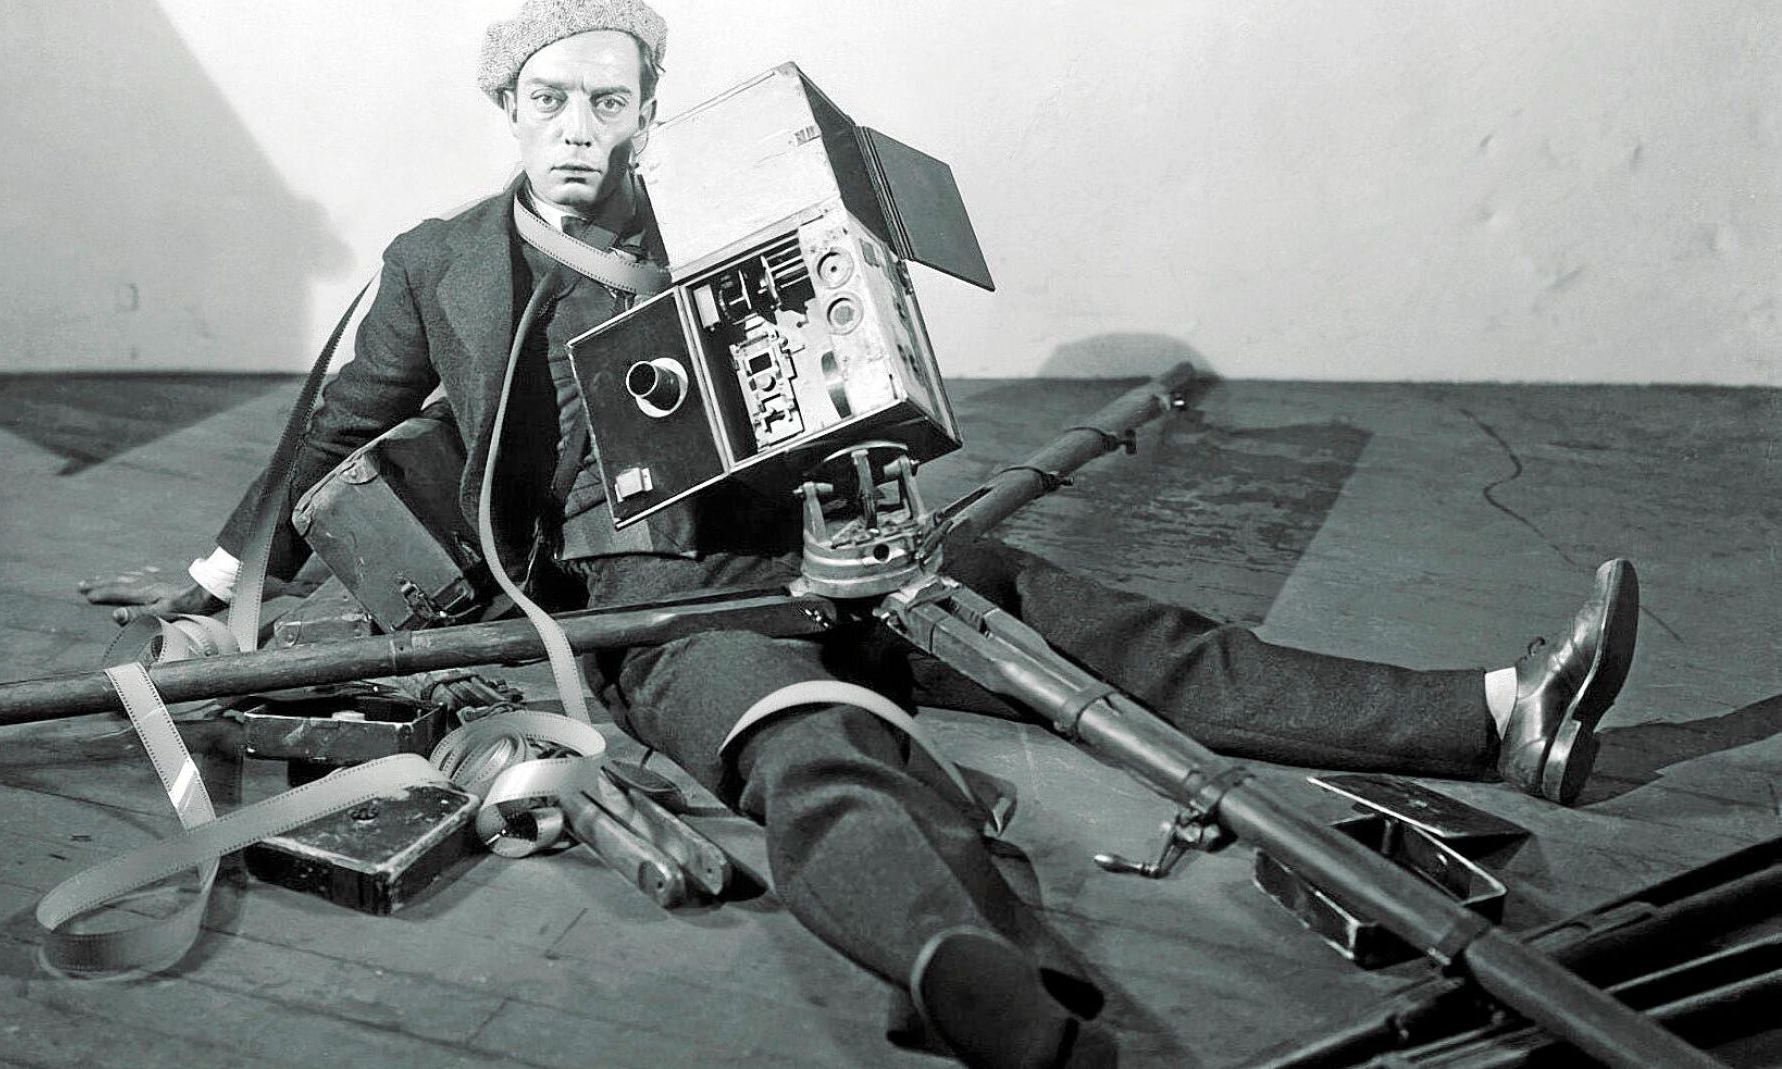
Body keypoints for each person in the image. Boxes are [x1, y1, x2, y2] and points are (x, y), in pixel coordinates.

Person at [79, 3, 1641, 1066]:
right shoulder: (439, 268)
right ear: (505, 106)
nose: (576, 130)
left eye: (607, 100)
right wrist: (226, 594)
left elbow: (853, 372)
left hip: (835, 543)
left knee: (1121, 633)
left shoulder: (731, 205)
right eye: (547, 99)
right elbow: (329, 436)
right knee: (817, 754)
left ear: (647, 108)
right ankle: (966, 973)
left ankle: (1498, 715)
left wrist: (870, 499)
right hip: (657, 611)